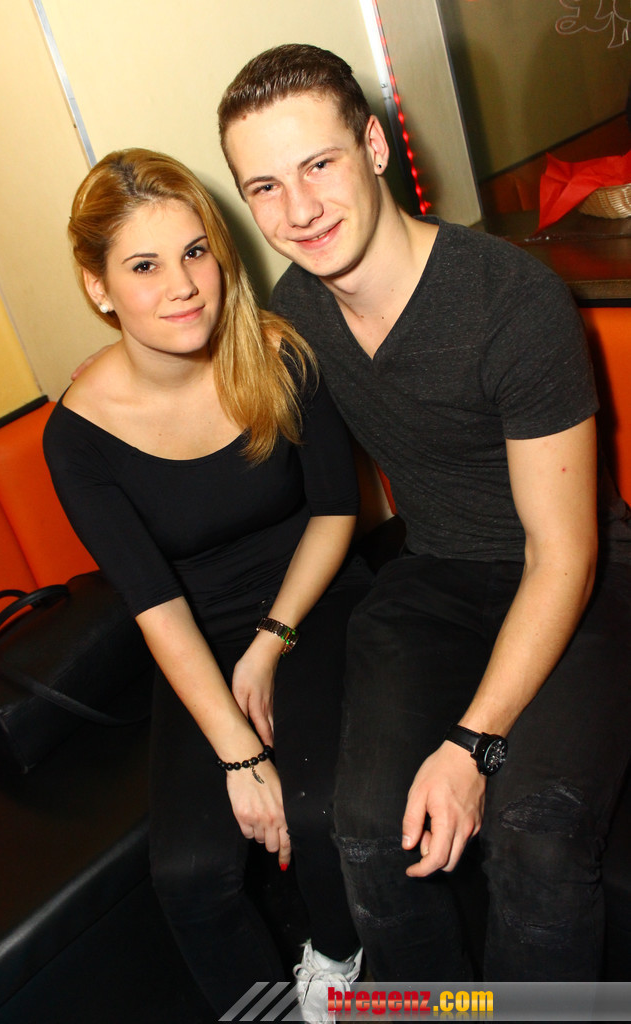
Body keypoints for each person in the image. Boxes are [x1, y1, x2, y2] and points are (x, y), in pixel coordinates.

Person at [215, 44, 631, 983]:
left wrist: (472, 745)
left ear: (373, 146)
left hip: (581, 576)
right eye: (265, 187)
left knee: (534, 840)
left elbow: (562, 555)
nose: (298, 210)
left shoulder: (510, 300)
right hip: (437, 573)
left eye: (318, 164)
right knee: (367, 830)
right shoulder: (297, 311)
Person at [43, 147, 372, 1019]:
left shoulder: (279, 354)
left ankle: (338, 962)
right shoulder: (78, 435)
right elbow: (154, 606)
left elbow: (337, 511)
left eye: (195, 252)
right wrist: (238, 751)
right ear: (98, 287)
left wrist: (270, 644)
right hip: (193, 632)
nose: (183, 285)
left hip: (313, 598)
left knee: (315, 811)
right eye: (144, 266)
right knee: (189, 874)